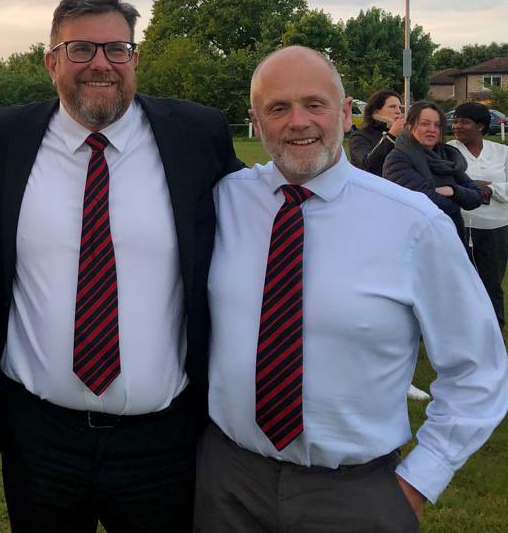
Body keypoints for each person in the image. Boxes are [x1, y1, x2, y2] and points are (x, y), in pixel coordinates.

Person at [197, 46, 508, 532]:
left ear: (344, 113)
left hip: (356, 494)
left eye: (315, 104)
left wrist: (419, 482)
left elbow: (478, 369)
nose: (298, 121)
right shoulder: (225, 200)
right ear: (255, 120)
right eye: (278, 108)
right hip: (228, 483)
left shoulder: (414, 223)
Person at [0, 0, 242, 531]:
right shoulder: (5, 135)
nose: (101, 63)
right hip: (39, 436)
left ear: (134, 59)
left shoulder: (196, 134)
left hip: (161, 439)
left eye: (116, 48)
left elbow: (262, 201)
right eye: (80, 49)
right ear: (51, 61)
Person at [383, 100, 483, 243]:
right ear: (410, 126)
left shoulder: (449, 157)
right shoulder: (398, 160)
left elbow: (477, 197)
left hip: (451, 238)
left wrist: (453, 190)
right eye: (425, 123)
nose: (432, 129)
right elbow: (425, 202)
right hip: (416, 241)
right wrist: (461, 200)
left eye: (437, 125)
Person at [449, 101, 508, 330]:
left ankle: (494, 330)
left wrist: (489, 188)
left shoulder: (502, 152)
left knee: (491, 284)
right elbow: (449, 184)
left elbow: (461, 186)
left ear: (481, 126)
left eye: (464, 121)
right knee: (461, 284)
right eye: (455, 121)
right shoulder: (449, 151)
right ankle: (464, 331)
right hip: (460, 226)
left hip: (496, 228)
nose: (457, 126)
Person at [348, 89, 404, 174]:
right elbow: (367, 164)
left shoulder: (403, 136)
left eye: (399, 107)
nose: (398, 111)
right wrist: (391, 136)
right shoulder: (359, 136)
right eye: (392, 107)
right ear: (376, 111)